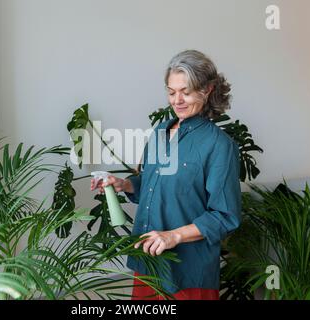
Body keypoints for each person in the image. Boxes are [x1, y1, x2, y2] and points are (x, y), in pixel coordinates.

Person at [90, 50, 242, 300]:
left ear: (208, 90)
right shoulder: (161, 131)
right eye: (171, 92)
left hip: (188, 271)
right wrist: (124, 184)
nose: (177, 100)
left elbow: (225, 215)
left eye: (186, 91)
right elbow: (150, 185)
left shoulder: (219, 145)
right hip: (148, 259)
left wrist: (174, 236)